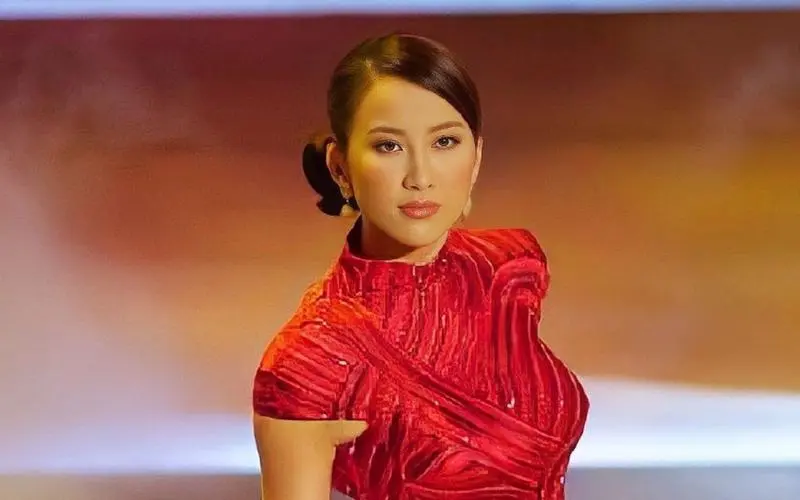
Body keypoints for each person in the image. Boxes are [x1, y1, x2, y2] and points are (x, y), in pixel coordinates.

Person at [252, 32, 589, 500]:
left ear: (476, 157)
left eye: (445, 141)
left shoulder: (509, 266)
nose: (420, 177)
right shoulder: (310, 362)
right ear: (340, 167)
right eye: (389, 146)